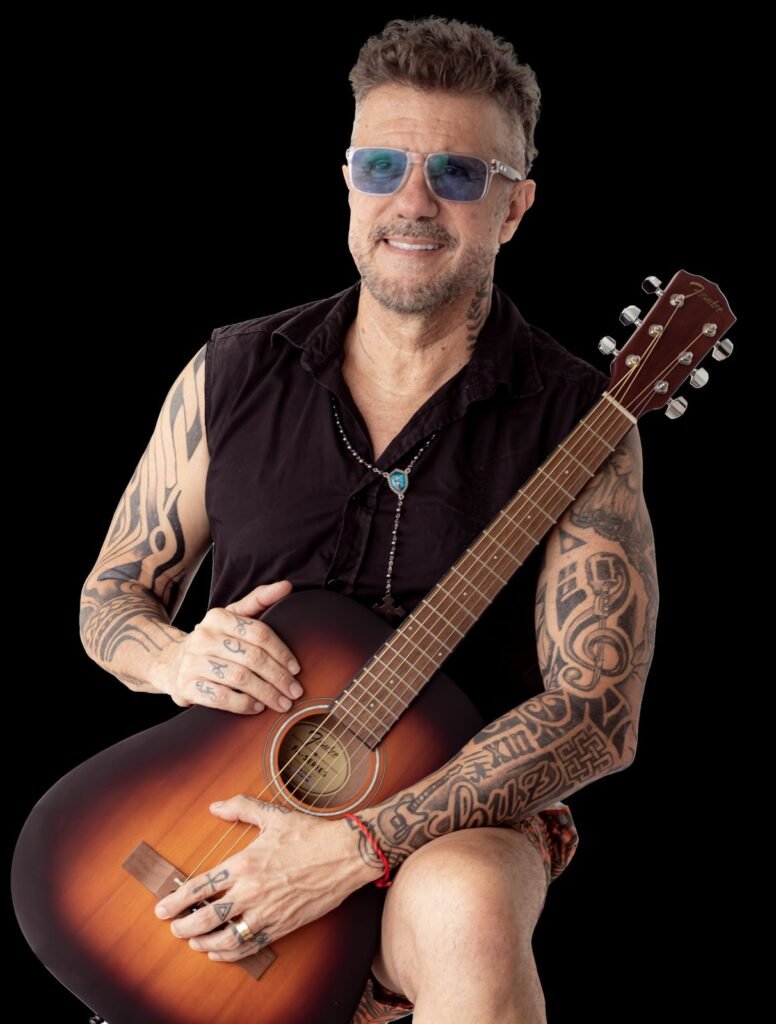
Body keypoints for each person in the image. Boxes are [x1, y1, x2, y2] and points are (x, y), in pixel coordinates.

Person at [79, 16, 658, 1024]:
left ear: (513, 208)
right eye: (382, 164)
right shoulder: (230, 372)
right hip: (228, 818)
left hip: (452, 825)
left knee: (467, 901)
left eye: (459, 174)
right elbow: (111, 596)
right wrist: (172, 658)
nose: (413, 201)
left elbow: (594, 714)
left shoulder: (583, 422)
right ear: (348, 180)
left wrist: (359, 846)